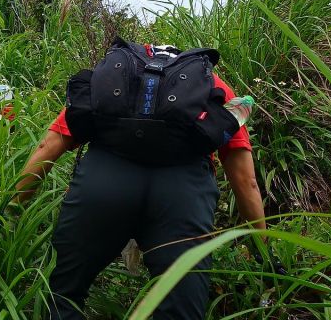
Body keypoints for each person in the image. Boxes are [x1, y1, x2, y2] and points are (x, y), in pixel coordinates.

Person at [15, 44, 267, 320]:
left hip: (102, 184)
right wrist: (264, 251)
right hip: (183, 196)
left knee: (63, 294)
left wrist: (11, 209)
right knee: (180, 309)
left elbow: (47, 147)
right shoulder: (213, 85)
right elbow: (246, 182)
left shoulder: (110, 79)